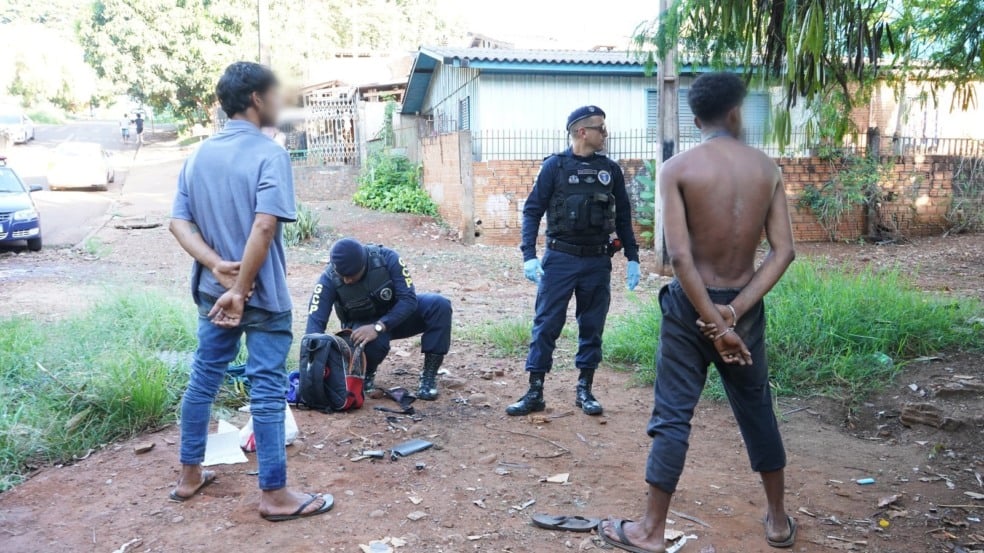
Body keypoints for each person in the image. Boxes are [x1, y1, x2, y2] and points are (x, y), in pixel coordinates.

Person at [597, 73, 797, 552]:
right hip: (741, 308)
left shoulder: (677, 169)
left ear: (695, 119)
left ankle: (650, 529)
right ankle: (777, 521)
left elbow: (680, 258)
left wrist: (709, 316)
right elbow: (783, 252)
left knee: (672, 415)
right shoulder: (766, 169)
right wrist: (733, 314)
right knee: (757, 410)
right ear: (735, 113)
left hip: (689, 308)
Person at [168, 61, 334, 522]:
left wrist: (215, 265)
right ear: (257, 99)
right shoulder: (269, 153)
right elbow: (263, 225)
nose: (281, 103)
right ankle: (275, 495)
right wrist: (240, 288)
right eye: (276, 95)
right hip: (259, 296)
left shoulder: (198, 155)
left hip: (210, 293)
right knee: (265, 388)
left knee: (203, 380)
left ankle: (188, 477)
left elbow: (178, 222)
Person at [507, 105, 640, 417]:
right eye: (600, 128)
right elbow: (532, 209)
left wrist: (633, 256)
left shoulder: (611, 170)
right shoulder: (555, 166)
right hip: (560, 259)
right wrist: (529, 255)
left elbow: (623, 215)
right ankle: (535, 391)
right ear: (583, 132)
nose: (605, 134)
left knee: (592, 326)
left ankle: (585, 390)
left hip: (597, 261)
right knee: (546, 325)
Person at [306, 238, 453, 400]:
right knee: (363, 339)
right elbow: (315, 322)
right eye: (343, 276)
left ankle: (429, 377)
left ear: (364, 264)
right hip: (362, 326)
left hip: (397, 316)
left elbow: (409, 300)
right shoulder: (328, 278)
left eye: (352, 276)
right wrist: (311, 364)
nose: (347, 280)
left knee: (440, 305)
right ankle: (365, 375)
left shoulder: (386, 258)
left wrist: (378, 326)